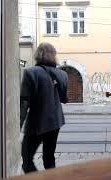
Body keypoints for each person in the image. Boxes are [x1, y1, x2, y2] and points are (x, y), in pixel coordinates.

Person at [20, 42, 68, 173]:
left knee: (26, 158)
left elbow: (24, 102)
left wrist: (18, 124)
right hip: (55, 122)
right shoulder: (63, 75)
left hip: (36, 123)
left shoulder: (30, 73)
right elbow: (64, 99)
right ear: (53, 55)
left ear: (38, 54)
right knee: (49, 158)